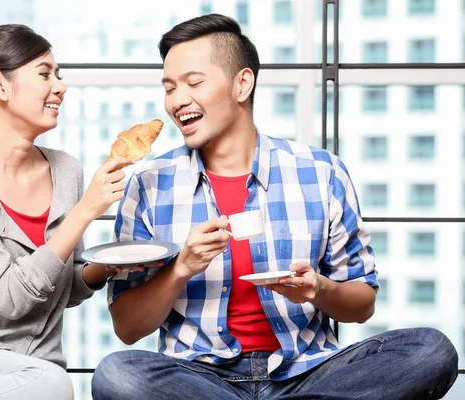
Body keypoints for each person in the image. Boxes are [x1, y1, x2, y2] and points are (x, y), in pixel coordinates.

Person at [92, 14, 458, 400]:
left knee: (431, 351)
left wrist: (317, 288)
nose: (178, 100)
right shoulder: (148, 183)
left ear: (242, 84)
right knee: (116, 375)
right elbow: (128, 328)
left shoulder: (321, 172)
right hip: (199, 380)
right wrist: (181, 268)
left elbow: (361, 304)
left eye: (193, 82)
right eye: (169, 88)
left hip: (309, 374)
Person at [0, 24, 132, 400]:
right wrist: (86, 211)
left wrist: (106, 267)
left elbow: (62, 282)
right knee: (52, 385)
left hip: (38, 368)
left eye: (58, 75)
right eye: (45, 74)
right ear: (0, 85)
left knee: (48, 382)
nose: (60, 86)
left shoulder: (67, 170)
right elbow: (11, 297)